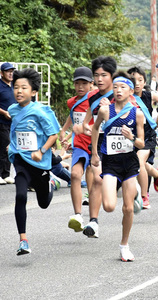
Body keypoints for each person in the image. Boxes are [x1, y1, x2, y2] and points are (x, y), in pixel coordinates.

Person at [91, 71, 145, 261]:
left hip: (129, 162)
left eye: (122, 87)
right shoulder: (106, 110)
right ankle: (133, 190)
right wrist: (95, 153)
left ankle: (124, 245)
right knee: (109, 206)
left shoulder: (137, 113)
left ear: (131, 91)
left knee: (128, 209)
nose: (118, 90)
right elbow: (96, 128)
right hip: (111, 162)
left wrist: (132, 137)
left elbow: (141, 143)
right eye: (115, 87)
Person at [8, 68, 60, 255]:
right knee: (20, 196)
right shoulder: (13, 110)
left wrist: (42, 150)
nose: (19, 91)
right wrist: (12, 146)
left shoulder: (41, 111)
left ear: (34, 92)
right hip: (21, 160)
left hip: (39, 163)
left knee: (43, 203)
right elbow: (16, 129)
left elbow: (53, 134)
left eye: (23, 87)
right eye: (16, 87)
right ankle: (23, 240)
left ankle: (51, 183)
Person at [127, 66, 158, 208]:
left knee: (139, 162)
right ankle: (157, 174)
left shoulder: (149, 95)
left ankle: (144, 196)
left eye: (140, 80)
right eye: (133, 80)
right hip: (130, 137)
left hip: (147, 136)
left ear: (144, 82)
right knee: (140, 165)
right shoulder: (123, 97)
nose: (136, 83)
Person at [81, 56, 117, 238]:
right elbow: (86, 123)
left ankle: (134, 193)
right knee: (97, 179)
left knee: (114, 186)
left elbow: (131, 119)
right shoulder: (93, 98)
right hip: (100, 143)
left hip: (119, 144)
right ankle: (93, 222)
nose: (100, 79)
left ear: (112, 76)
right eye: (96, 75)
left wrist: (109, 109)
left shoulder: (121, 95)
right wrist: (88, 128)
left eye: (104, 75)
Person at [60, 66, 95, 232]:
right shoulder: (72, 102)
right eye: (77, 83)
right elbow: (73, 116)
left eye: (84, 83)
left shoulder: (97, 99)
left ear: (91, 84)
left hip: (96, 144)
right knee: (75, 174)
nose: (80, 86)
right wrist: (64, 132)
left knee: (93, 180)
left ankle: (94, 220)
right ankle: (78, 215)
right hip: (79, 144)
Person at [0, 62, 17, 185]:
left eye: (12, 71)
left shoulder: (14, 86)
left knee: (10, 148)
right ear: (2, 73)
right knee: (3, 147)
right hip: (2, 121)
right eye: (7, 71)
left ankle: (6, 174)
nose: (10, 73)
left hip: (13, 122)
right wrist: (4, 112)